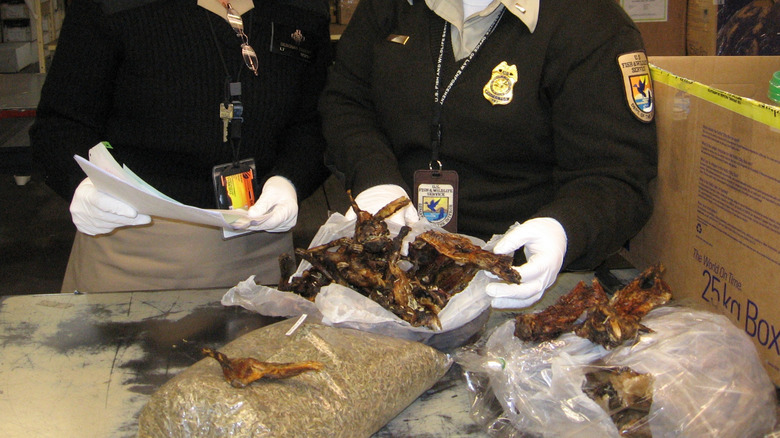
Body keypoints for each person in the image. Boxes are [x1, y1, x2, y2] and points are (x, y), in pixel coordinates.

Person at [320, 0, 658, 308]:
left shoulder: (592, 23)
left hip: (516, 278)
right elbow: (348, 101)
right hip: (392, 258)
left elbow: (616, 173)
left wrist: (564, 230)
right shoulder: (388, 8)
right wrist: (375, 180)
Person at [30, 0, 332, 292]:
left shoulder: (301, 9)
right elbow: (60, 123)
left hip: (261, 256)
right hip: (129, 253)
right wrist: (81, 183)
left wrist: (290, 179)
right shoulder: (114, 8)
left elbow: (314, 121)